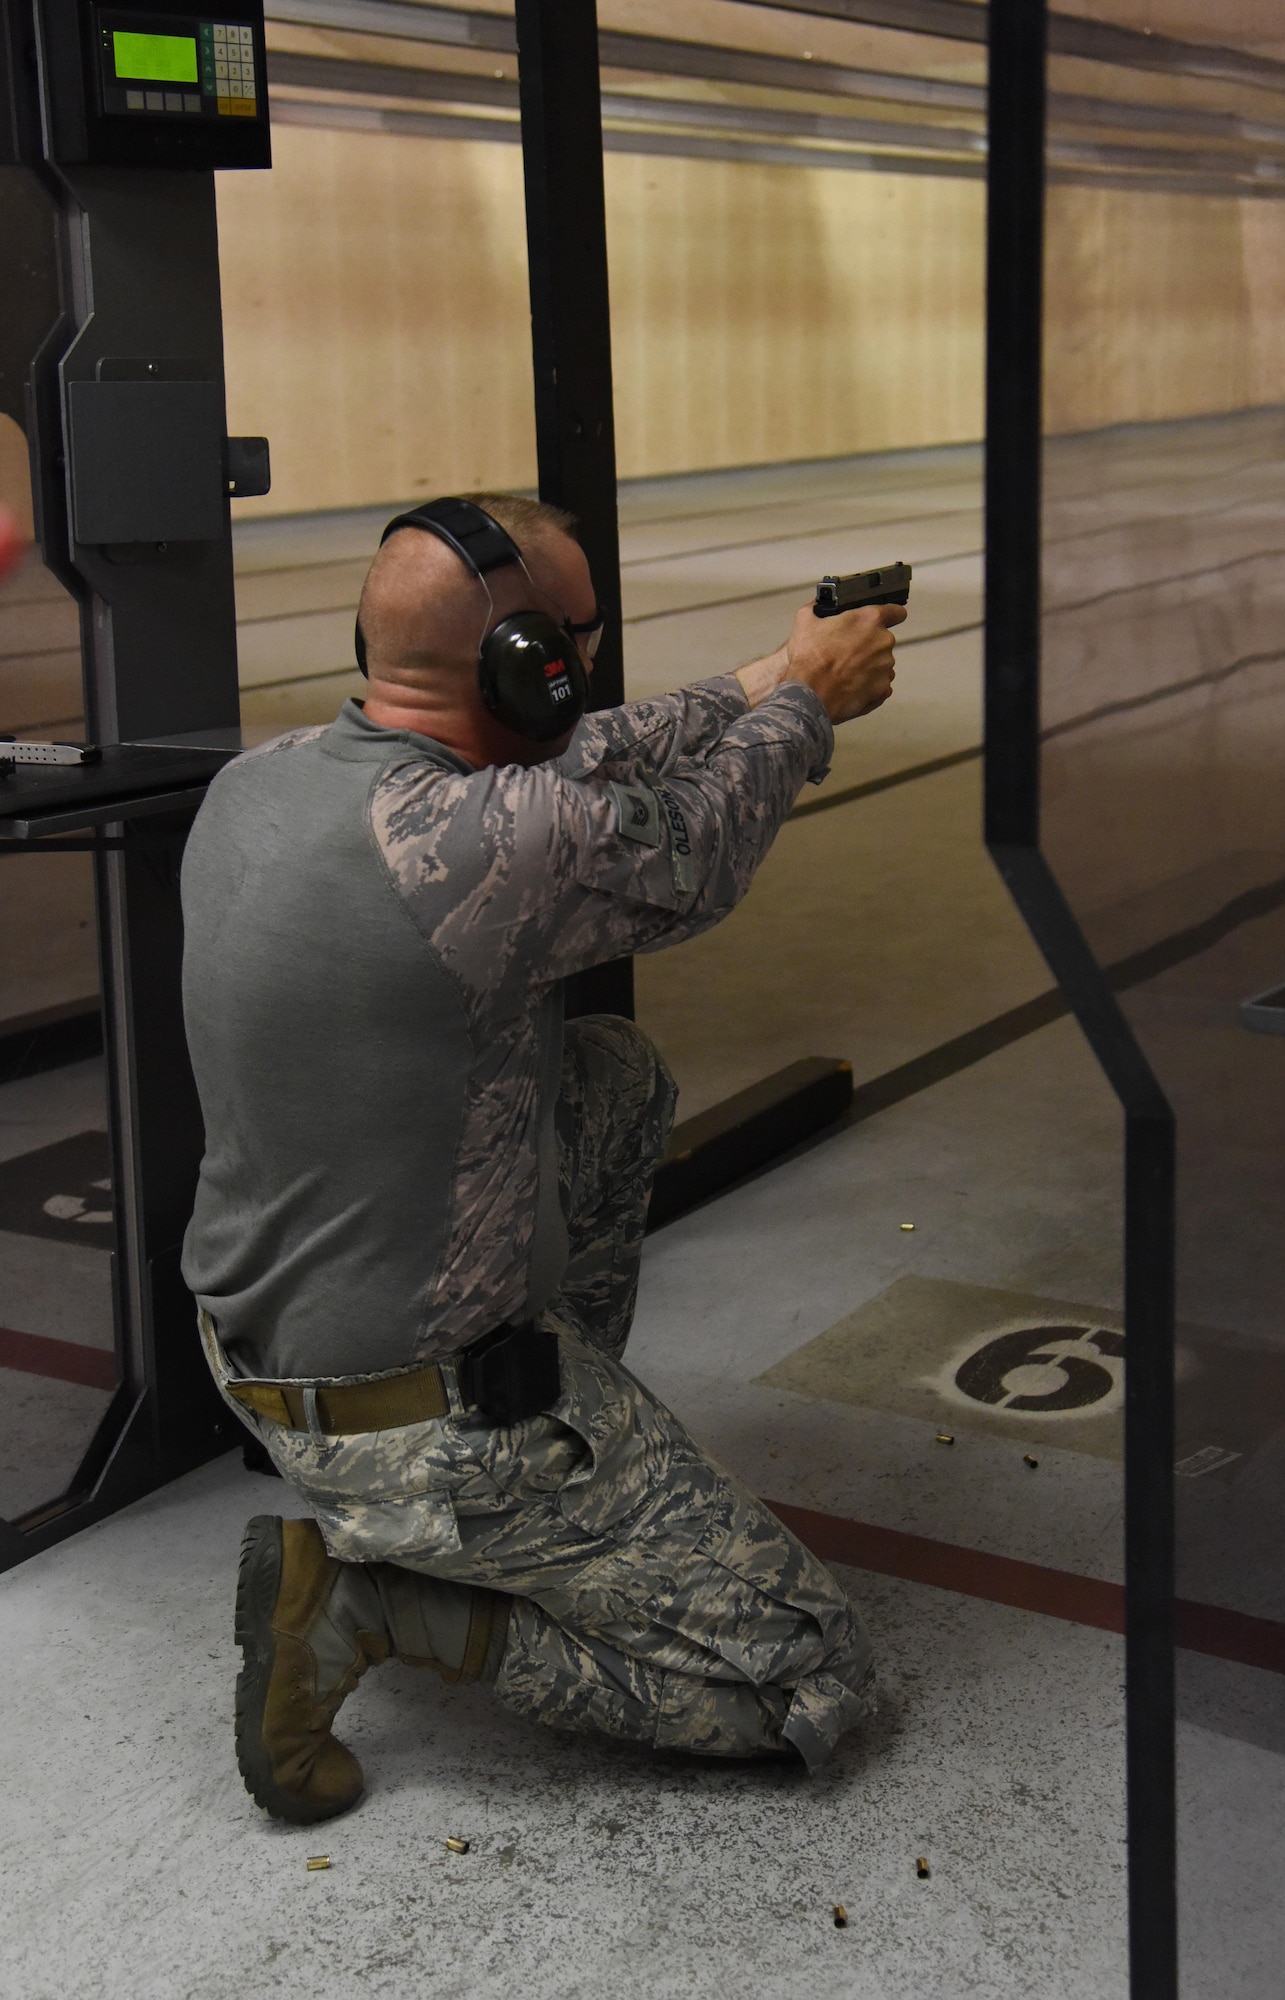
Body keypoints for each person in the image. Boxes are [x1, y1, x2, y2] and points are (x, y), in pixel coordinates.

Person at [180, 493, 905, 1825]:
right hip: (420, 1420)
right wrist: (802, 710)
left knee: (610, 1080)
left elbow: (593, 757)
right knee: (814, 1680)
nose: (589, 667)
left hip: (273, 1353)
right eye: (575, 641)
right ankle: (388, 1602)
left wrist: (773, 666)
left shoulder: (261, 783)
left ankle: (554, 1492)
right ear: (527, 668)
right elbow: (696, 844)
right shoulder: (485, 847)